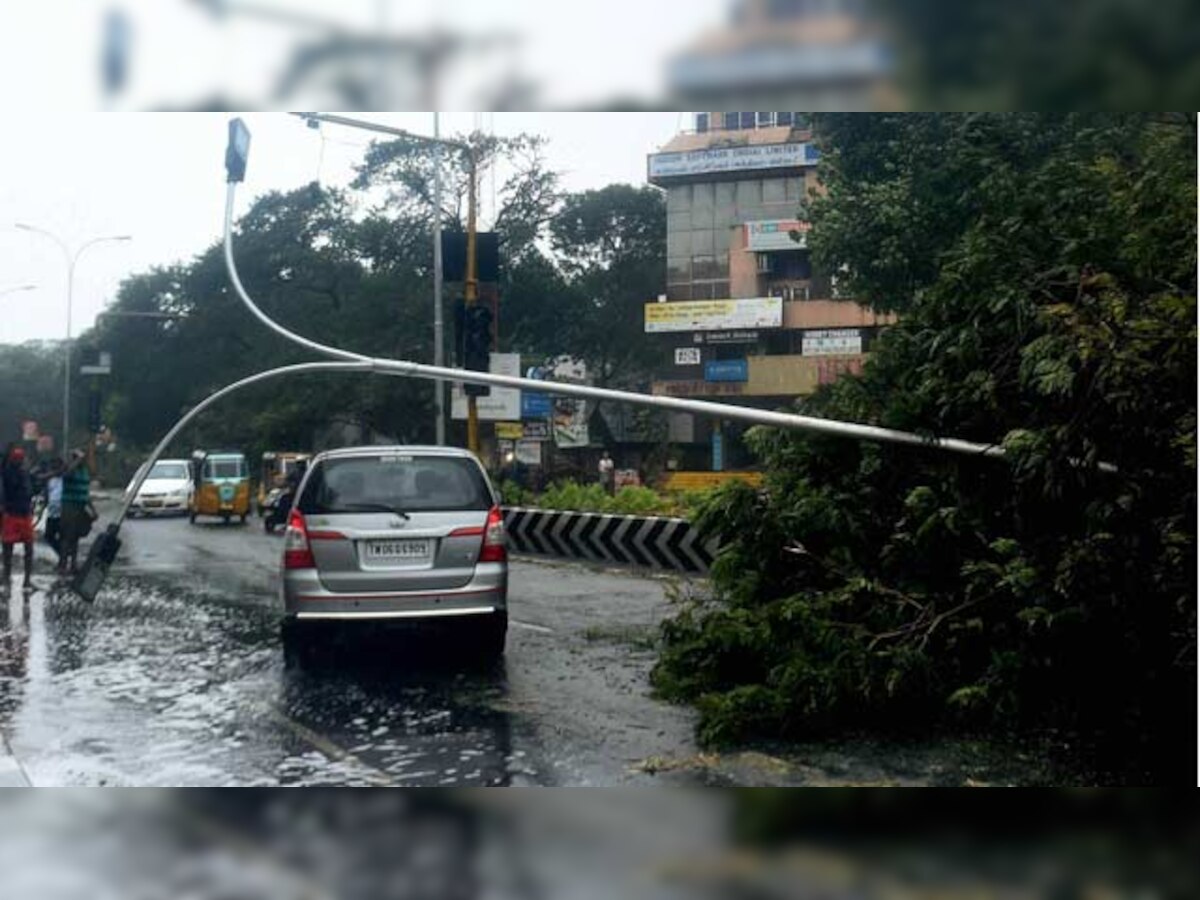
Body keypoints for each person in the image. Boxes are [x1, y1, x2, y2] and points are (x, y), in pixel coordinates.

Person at [1, 446, 36, 590]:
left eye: (20, 459)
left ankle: (24, 579)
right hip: (12, 514)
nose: (19, 461)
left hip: (23, 514)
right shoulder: (8, 473)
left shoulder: (24, 473)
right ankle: (8, 578)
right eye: (17, 459)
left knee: (27, 548)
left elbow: (30, 490)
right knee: (9, 549)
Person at [59, 448, 94, 575]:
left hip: (80, 506)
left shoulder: (84, 471)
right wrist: (76, 461)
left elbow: (85, 492)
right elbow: (66, 474)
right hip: (69, 506)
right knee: (67, 537)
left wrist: (92, 510)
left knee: (76, 537)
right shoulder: (70, 469)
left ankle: (73, 564)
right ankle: (62, 565)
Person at [42, 457, 65, 566]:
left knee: (62, 536)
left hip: (63, 511)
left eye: (56, 465)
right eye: (53, 465)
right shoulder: (49, 479)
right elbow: (47, 495)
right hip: (52, 511)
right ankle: (63, 555)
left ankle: (63, 559)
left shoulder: (65, 478)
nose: (54, 468)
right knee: (48, 536)